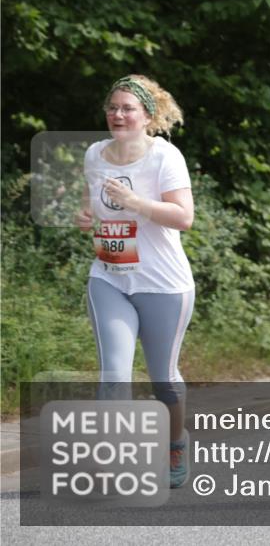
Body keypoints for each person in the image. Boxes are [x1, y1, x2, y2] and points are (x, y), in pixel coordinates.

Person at [75, 75, 195, 489]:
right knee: (114, 374)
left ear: (147, 116)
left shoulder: (165, 157)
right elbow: (93, 202)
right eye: (113, 107)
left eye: (128, 108)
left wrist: (137, 204)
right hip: (109, 277)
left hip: (163, 283)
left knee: (164, 378)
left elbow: (184, 217)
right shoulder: (95, 154)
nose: (118, 114)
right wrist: (86, 215)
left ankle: (175, 442)